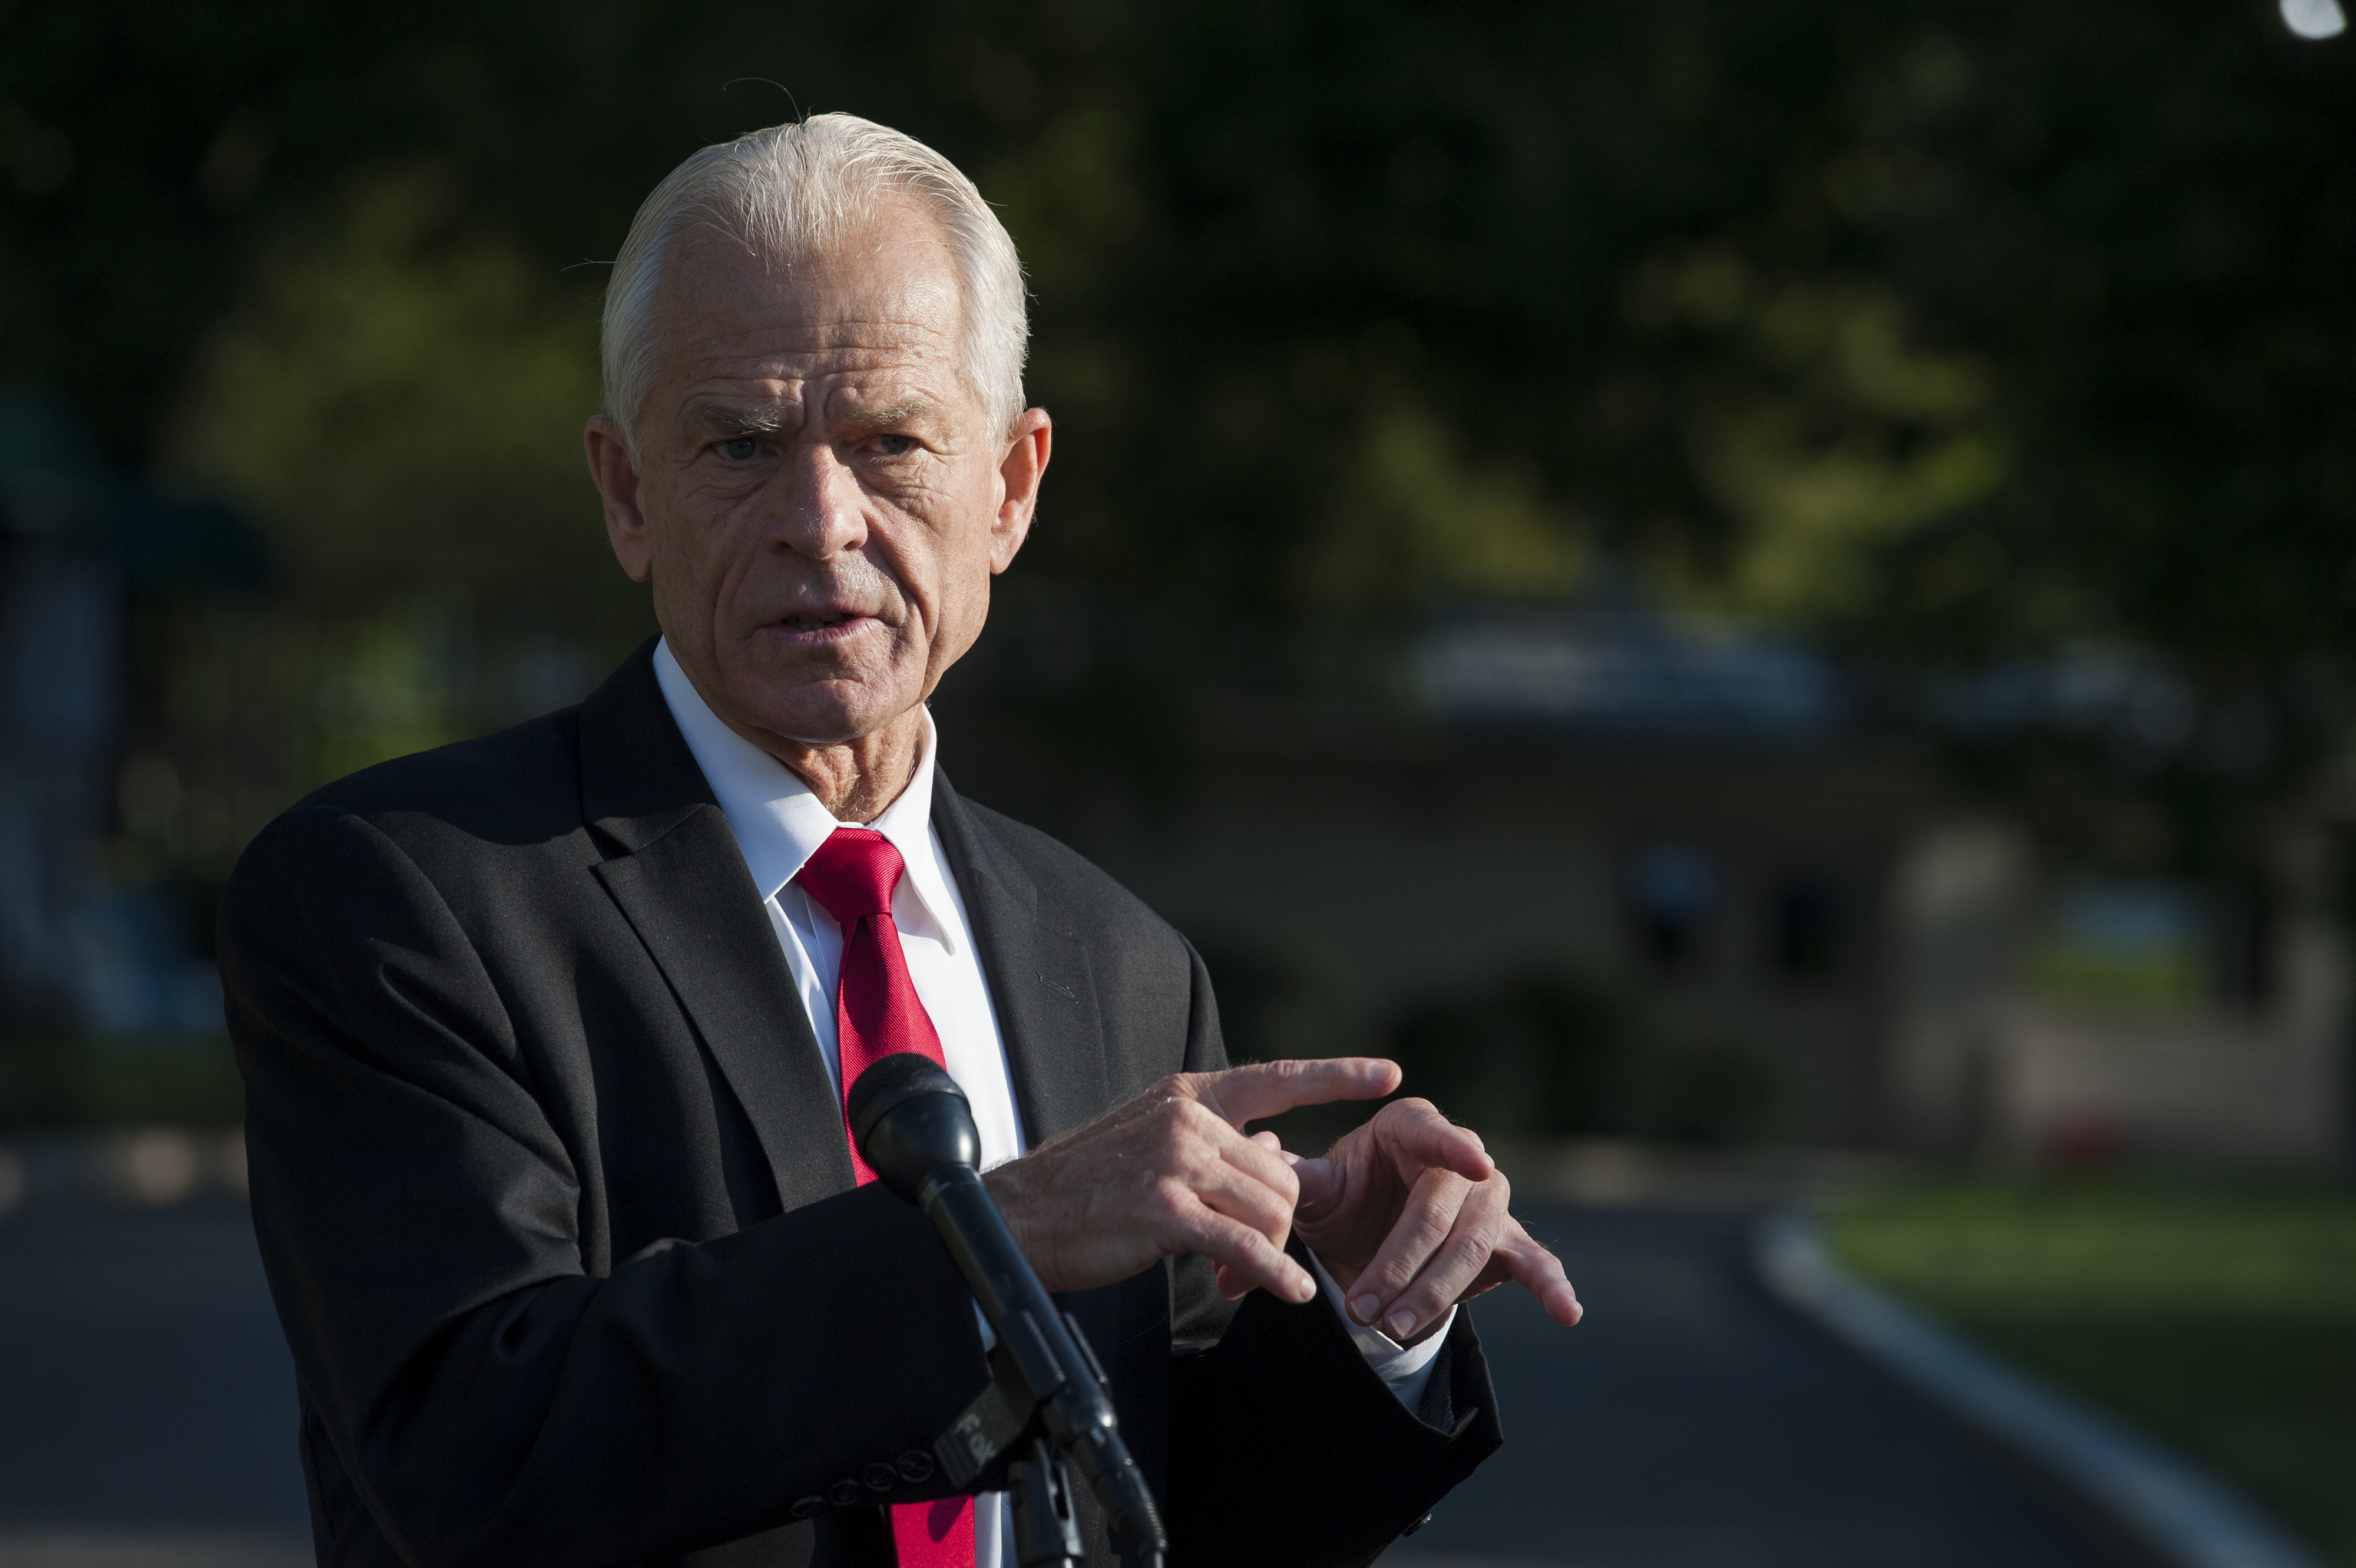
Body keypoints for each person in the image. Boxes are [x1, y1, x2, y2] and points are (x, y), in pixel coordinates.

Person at [219, 114, 1581, 1568]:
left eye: (889, 443)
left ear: (1008, 486)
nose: (822, 519)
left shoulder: (1120, 964)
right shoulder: (405, 895)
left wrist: (1366, 1317)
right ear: (625, 492)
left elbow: (1169, 1516)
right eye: (739, 444)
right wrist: (1003, 1237)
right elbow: (467, 1458)